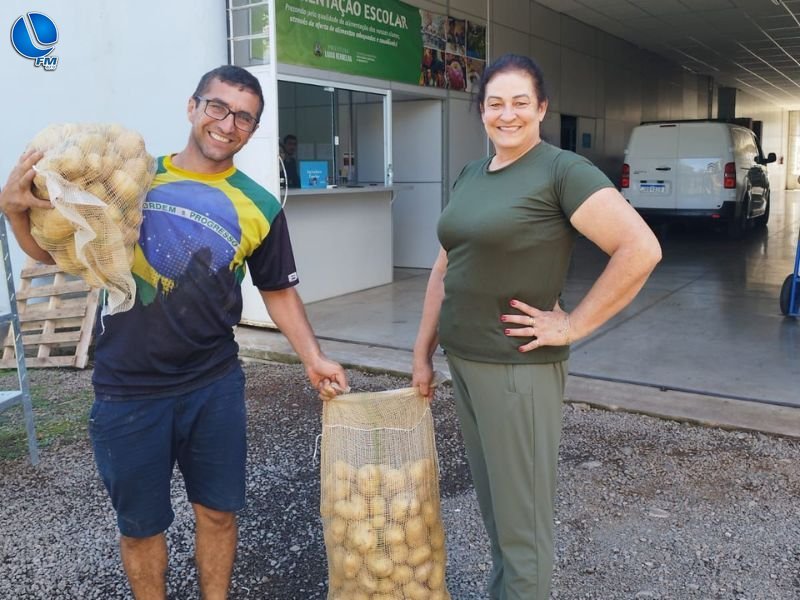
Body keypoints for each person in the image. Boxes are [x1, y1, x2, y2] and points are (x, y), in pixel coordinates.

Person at [0, 65, 348, 599]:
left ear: (252, 131)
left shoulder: (261, 205)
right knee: (141, 530)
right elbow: (61, 256)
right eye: (217, 107)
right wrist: (14, 215)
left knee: (218, 513)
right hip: (127, 388)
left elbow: (278, 290)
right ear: (193, 107)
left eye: (244, 118)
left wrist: (313, 358)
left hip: (214, 385)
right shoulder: (131, 179)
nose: (227, 124)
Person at [412, 53, 662, 600]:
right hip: (466, 361)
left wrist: (572, 324)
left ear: (541, 108)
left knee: (523, 528)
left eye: (520, 102)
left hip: (516, 371)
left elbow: (640, 248)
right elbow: (445, 264)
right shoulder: (472, 174)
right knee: (497, 515)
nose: (508, 114)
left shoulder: (561, 171)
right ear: (480, 111)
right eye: (495, 103)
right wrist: (422, 351)